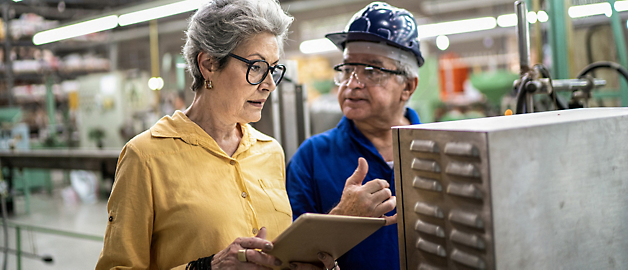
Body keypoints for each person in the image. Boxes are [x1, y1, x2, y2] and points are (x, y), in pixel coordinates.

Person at [95, 1, 338, 269]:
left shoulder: (270, 151)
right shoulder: (146, 157)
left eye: (273, 69)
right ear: (209, 64)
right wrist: (206, 267)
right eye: (256, 67)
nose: (269, 85)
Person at [285, 2, 425, 270]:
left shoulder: (436, 148)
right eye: (348, 69)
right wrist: (341, 218)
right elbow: (290, 259)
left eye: (372, 71)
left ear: (407, 86)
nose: (352, 84)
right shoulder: (312, 156)